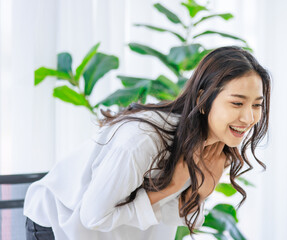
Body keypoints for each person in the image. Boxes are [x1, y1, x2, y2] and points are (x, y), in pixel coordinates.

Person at [23, 46, 271, 240]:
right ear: (203, 100)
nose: (249, 117)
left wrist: (199, 193)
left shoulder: (217, 149)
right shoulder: (142, 141)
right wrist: (170, 186)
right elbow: (93, 217)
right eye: (237, 103)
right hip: (58, 223)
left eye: (257, 105)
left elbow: (168, 216)